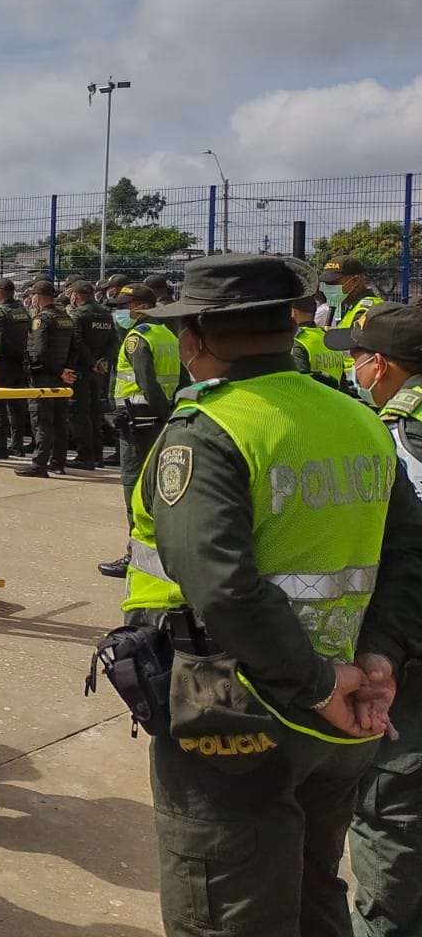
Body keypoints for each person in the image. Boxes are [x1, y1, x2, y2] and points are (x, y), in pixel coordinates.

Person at [118, 255, 422, 937]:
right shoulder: (357, 420)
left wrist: (318, 682)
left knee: (226, 906)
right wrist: (378, 659)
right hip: (344, 718)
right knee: (313, 889)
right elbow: (407, 554)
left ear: (196, 335)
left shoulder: (209, 431)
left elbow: (223, 588)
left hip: (236, 710)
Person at [326, 303, 422, 936]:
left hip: (408, 645)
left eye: (356, 355)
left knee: (392, 809)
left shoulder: (393, 433)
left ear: (379, 365)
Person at [96, 284, 183, 577]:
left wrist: (159, 414)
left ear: (141, 307)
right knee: (159, 490)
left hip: (139, 423)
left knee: (135, 492)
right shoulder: (167, 335)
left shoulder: (138, 339)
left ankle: (136, 557)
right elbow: (181, 379)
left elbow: (148, 383)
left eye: (125, 305)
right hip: (160, 421)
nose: (120, 311)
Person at [15, 280, 79, 478]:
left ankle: (39, 463)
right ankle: (58, 462)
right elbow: (75, 347)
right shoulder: (66, 318)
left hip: (44, 376)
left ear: (38, 296)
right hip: (61, 377)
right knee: (60, 421)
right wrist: (67, 371)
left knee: (42, 420)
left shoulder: (42, 319)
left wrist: (60, 371)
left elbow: (41, 352)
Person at [67, 280, 116, 469]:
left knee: (80, 413)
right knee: (96, 413)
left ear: (76, 296)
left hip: (83, 369)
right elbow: (113, 341)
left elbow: (77, 341)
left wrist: (91, 362)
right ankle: (98, 455)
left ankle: (84, 456)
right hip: (100, 371)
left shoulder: (79, 314)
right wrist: (103, 361)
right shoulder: (105, 313)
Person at [321, 256, 385, 380]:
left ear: (355, 281)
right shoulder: (351, 307)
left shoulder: (365, 310)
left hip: (357, 382)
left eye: (334, 283)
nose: (328, 288)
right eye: (327, 284)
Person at [0, 278, 31, 458]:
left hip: (3, 363)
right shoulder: (23, 310)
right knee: (17, 407)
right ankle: (17, 445)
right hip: (20, 362)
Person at [291, 298, 344, 389]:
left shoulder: (298, 343)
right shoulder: (329, 339)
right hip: (337, 400)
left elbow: (300, 386)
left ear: (293, 313)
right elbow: (343, 384)